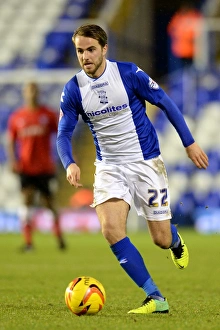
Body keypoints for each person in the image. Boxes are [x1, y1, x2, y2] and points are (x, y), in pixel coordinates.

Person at [56, 24, 209, 314]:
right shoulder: (73, 89)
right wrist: (70, 162)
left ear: (104, 49)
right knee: (111, 230)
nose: (85, 56)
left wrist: (189, 143)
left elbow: (164, 102)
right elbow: (63, 134)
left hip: (145, 163)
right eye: (80, 51)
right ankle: (156, 298)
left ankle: (174, 239)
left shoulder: (128, 73)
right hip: (109, 167)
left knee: (160, 239)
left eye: (90, 49)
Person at [7, 82, 66, 251]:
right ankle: (28, 242)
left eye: (34, 90)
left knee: (49, 202)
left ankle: (59, 237)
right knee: (26, 200)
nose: (31, 93)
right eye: (28, 90)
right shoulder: (17, 117)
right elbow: (11, 141)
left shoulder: (47, 115)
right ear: (24, 93)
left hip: (44, 167)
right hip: (25, 167)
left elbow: (61, 135)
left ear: (38, 93)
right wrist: (13, 160)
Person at [167, 3, 203, 72]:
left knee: (190, 72)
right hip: (180, 51)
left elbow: (200, 33)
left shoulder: (194, 16)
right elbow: (171, 30)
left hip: (192, 52)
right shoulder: (178, 16)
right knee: (179, 72)